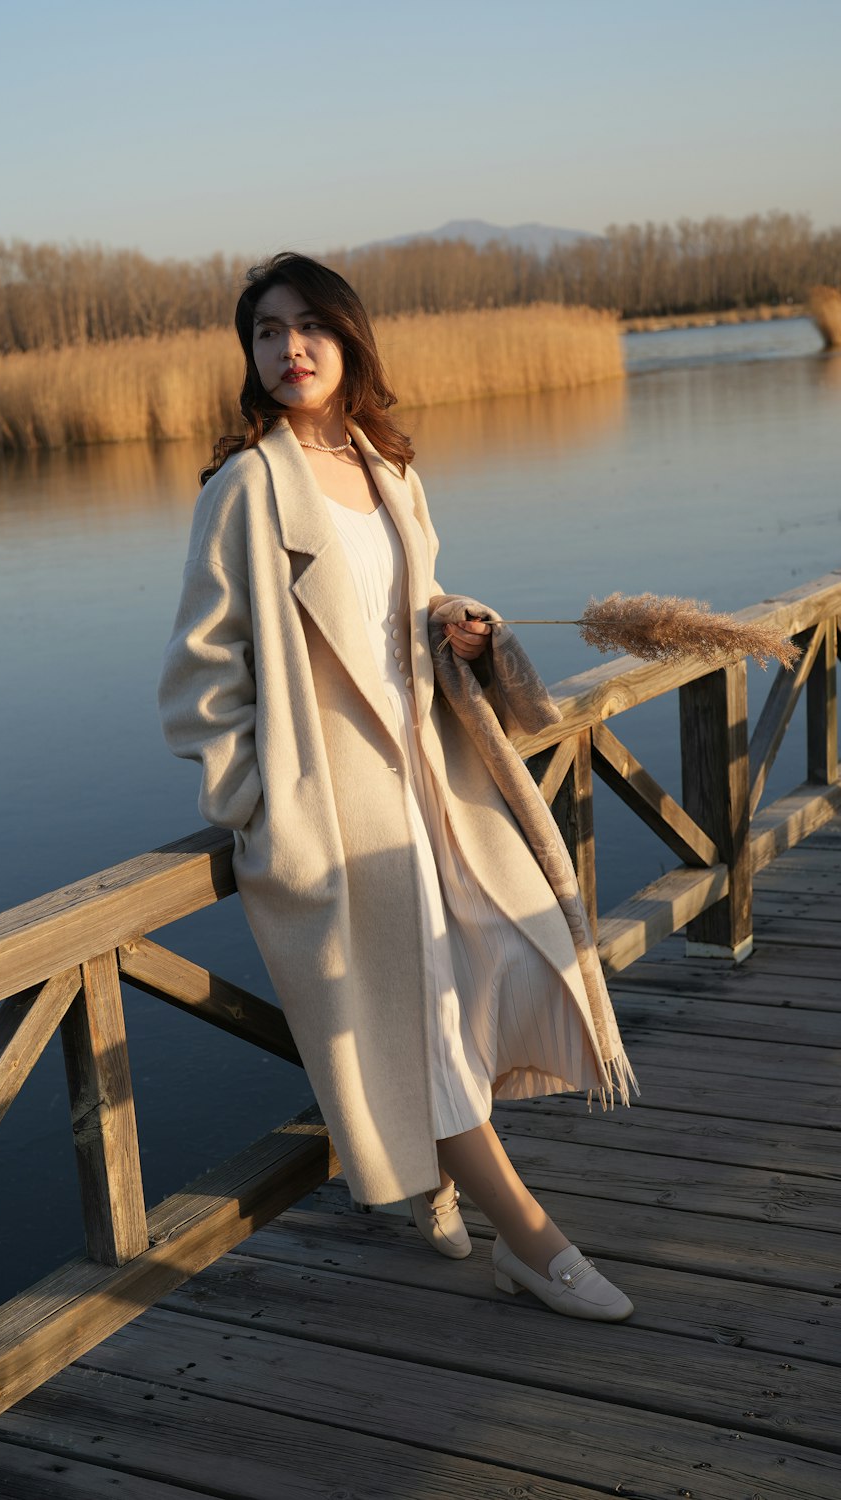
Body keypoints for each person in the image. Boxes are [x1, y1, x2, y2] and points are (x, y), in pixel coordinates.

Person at [159, 252, 636, 1321]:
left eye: (309, 327)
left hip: (430, 782)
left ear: (349, 339)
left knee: (476, 977)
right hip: (332, 811)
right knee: (415, 1012)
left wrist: (455, 626)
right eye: (267, 332)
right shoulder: (244, 489)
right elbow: (196, 686)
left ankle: (428, 1184)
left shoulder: (391, 473)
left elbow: (402, 609)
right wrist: (264, 816)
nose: (289, 349)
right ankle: (533, 1241)